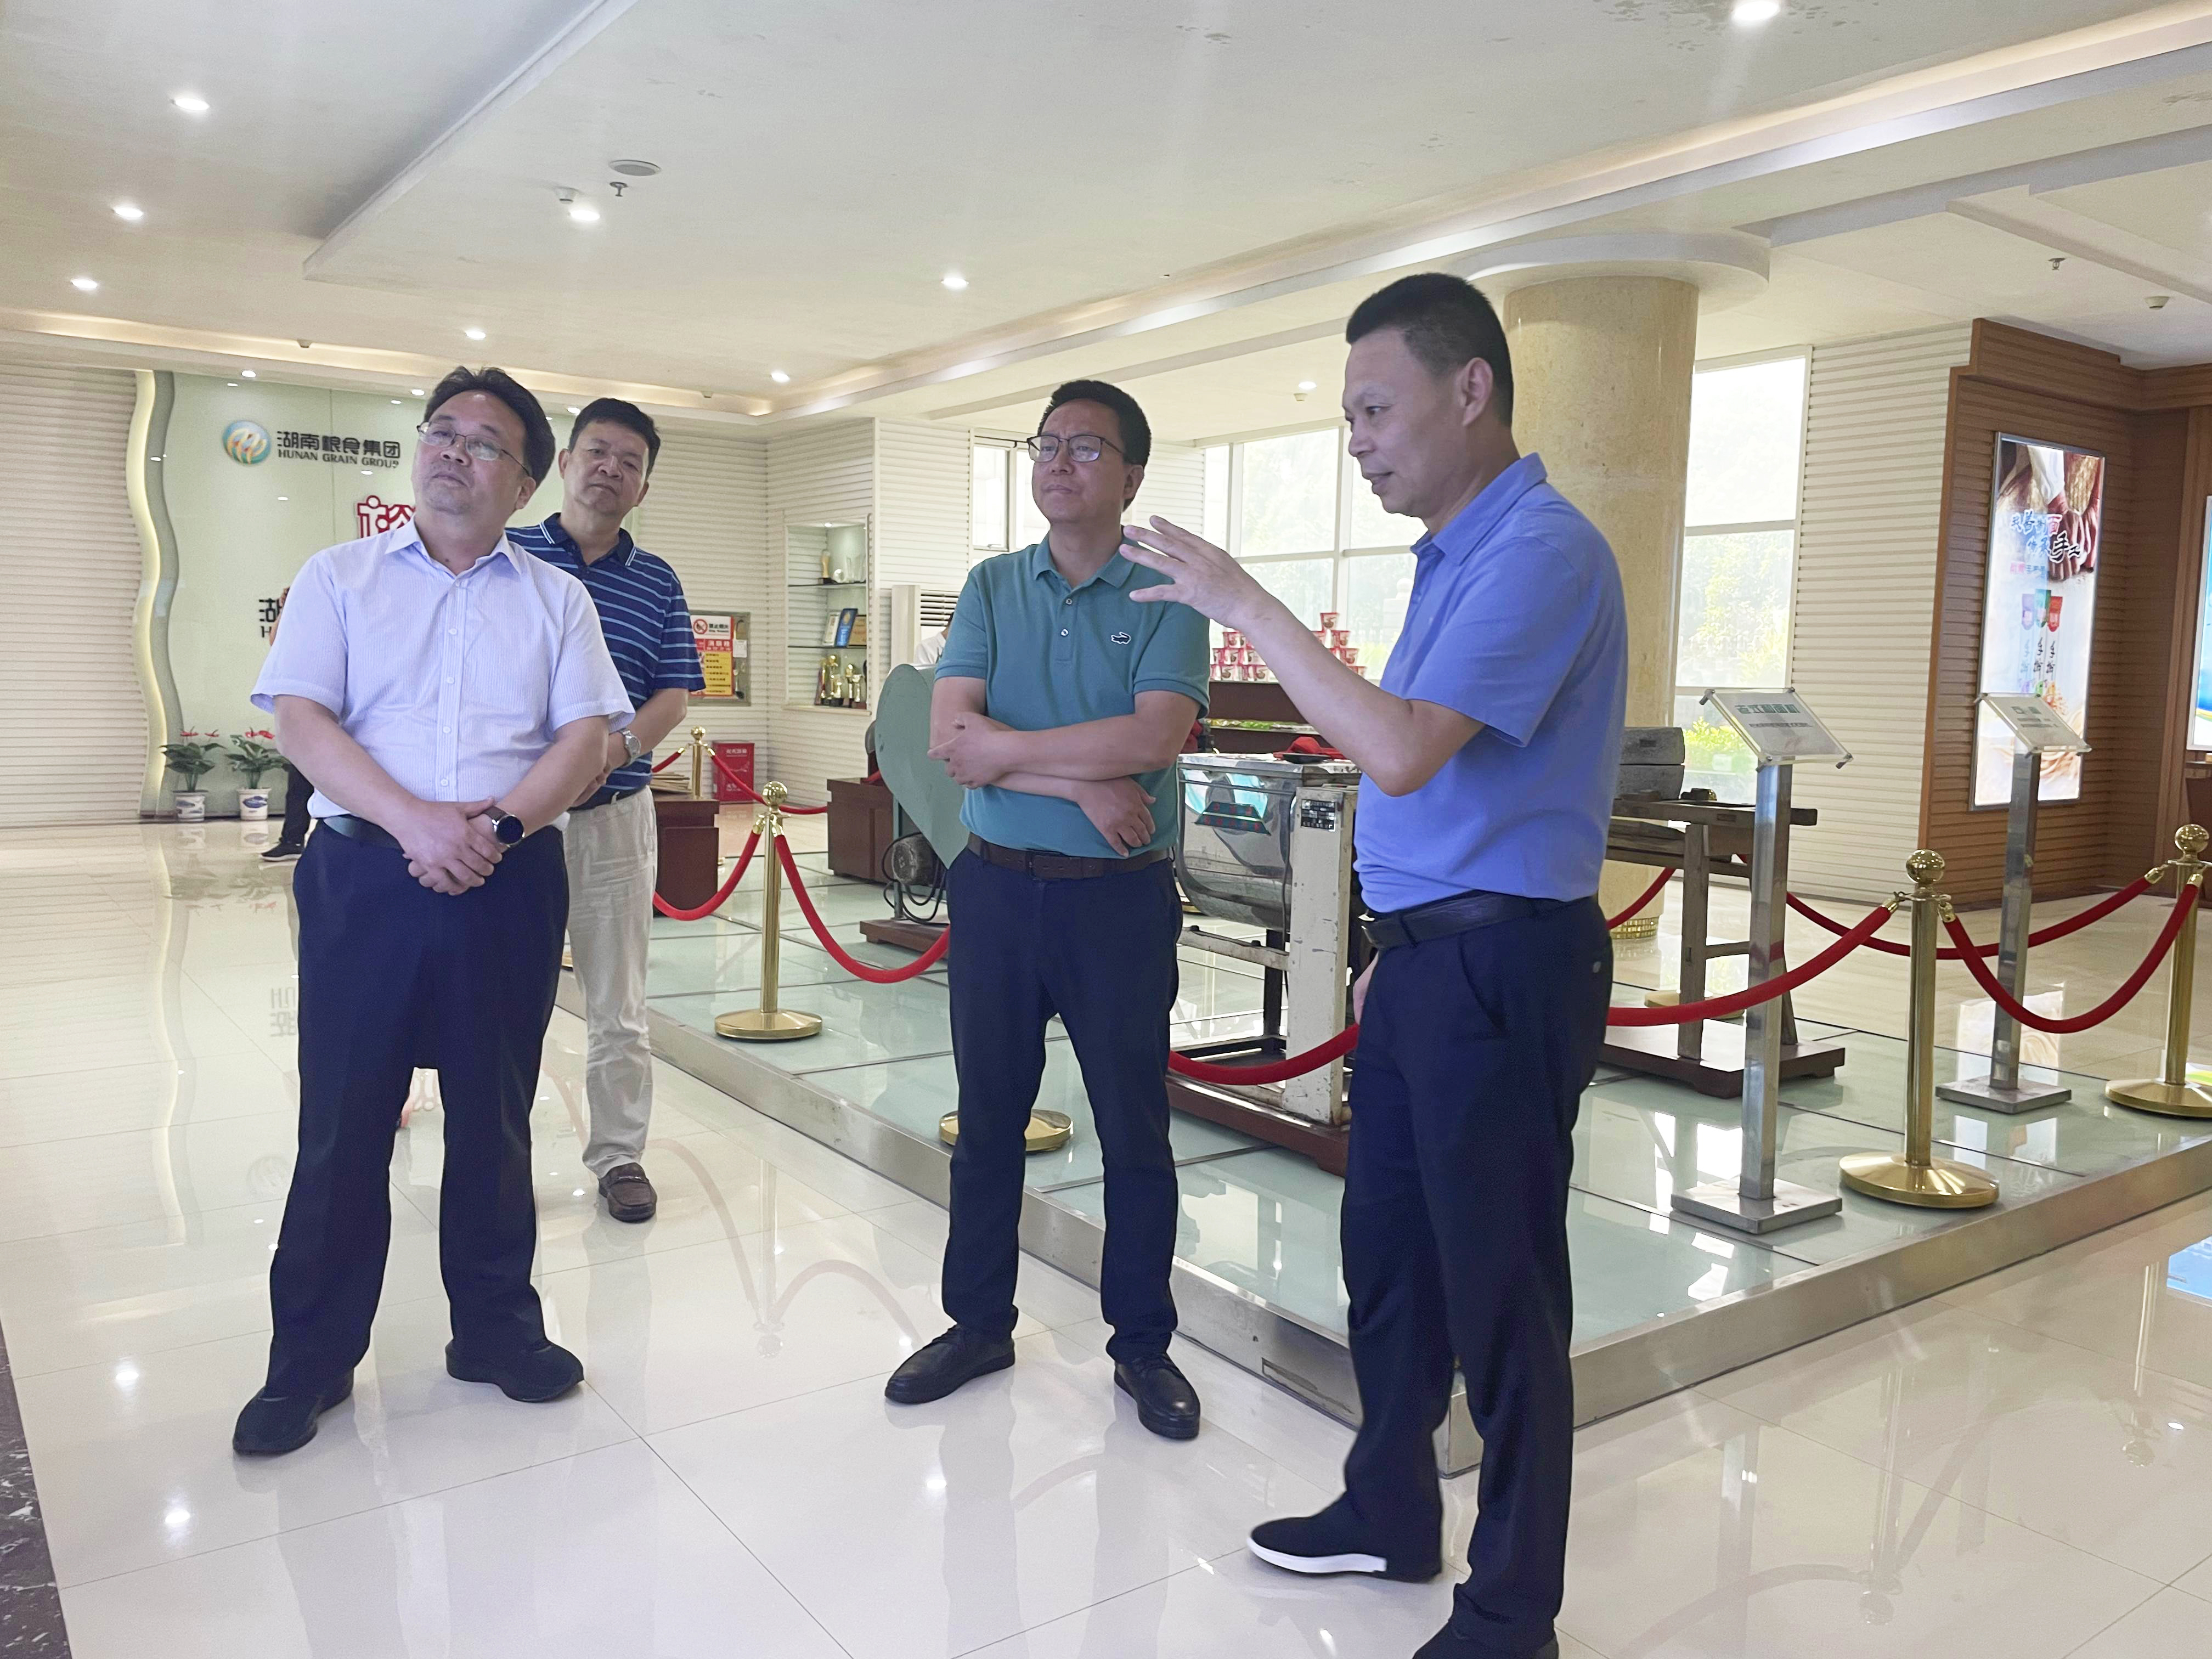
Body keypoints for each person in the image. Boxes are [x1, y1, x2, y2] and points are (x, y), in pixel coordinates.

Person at [1121, 274, 1626, 1659]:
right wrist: (1389, 955)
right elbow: (1425, 781)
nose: (1358, 442)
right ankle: (1392, 1507)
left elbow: (1398, 750)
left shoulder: (1544, 552)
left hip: (1502, 968)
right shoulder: (1456, 555)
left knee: (1503, 1295)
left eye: (1374, 410)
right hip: (1427, 967)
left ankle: (1512, 1610)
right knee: (1391, 1264)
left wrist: (1245, 601)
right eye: (1350, 417)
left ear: (1471, 391)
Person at [232, 365, 633, 1458]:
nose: (454, 451)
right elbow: (302, 720)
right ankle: (308, 1361)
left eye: (485, 441)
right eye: (441, 432)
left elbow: (586, 738)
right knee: (344, 1122)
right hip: (365, 877)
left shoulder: (556, 598)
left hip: (508, 881)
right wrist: (414, 821)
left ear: (524, 482)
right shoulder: (340, 576)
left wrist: (494, 828)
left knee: (495, 1118)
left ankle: (497, 1331)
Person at [884, 380, 1211, 1439]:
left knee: (1133, 1129)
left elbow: (1153, 737)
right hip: (995, 886)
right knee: (987, 1121)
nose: (1059, 462)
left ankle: (1142, 1343)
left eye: (1085, 446)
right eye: (1047, 444)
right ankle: (977, 1324)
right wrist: (1079, 784)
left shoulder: (1166, 593)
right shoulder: (991, 585)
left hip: (1117, 899)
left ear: (1132, 474)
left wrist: (1014, 757)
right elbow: (950, 736)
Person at [509, 399, 703, 1223]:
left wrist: (612, 751)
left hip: (614, 816)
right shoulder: (508, 556)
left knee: (617, 1002)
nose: (610, 470)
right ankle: (497, 1159)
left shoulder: (655, 580)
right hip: (513, 823)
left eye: (629, 461)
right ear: (564, 463)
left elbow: (674, 694)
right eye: (597, 452)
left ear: (644, 487)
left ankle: (620, 1156)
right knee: (503, 996)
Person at [260, 590, 314, 862]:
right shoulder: (305, 621)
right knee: (299, 781)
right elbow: (276, 641)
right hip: (313, 712)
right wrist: (287, 609)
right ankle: (292, 839)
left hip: (349, 713)